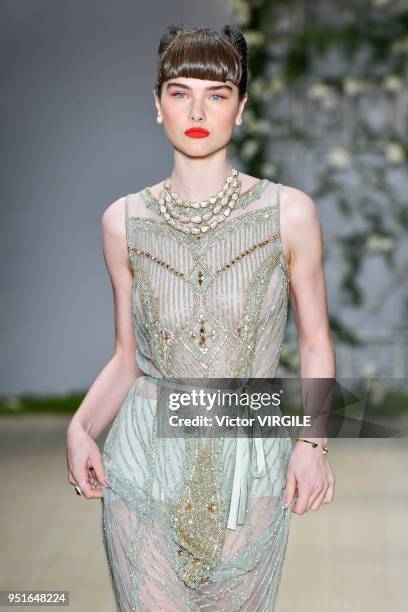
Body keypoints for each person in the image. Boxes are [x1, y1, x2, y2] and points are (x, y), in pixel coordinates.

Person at [66, 23, 336, 611]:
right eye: (179, 90)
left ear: (240, 109)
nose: (197, 108)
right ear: (156, 104)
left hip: (250, 456)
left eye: (216, 94)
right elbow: (126, 357)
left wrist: (313, 445)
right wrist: (81, 428)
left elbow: (316, 342)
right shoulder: (124, 221)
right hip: (144, 458)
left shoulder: (289, 214)